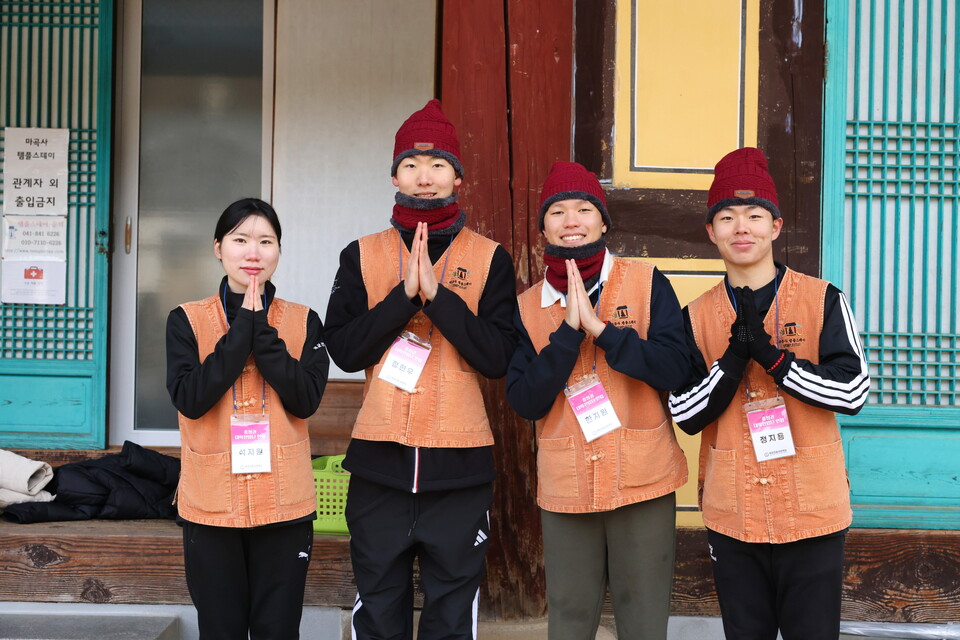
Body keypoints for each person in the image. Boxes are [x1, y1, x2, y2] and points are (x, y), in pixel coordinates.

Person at [323, 99, 518, 639]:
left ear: (457, 175)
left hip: (459, 468)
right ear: (394, 174)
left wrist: (439, 299)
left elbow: (498, 357)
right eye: (411, 164)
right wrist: (403, 299)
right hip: (379, 466)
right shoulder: (360, 254)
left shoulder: (489, 257)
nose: (425, 177)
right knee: (379, 608)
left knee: (452, 614)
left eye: (437, 166)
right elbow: (344, 349)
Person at [668, 147, 870, 640]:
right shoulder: (693, 316)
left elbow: (853, 391)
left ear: (775, 228)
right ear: (711, 231)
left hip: (814, 509)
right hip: (732, 511)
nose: (743, 227)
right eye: (728, 217)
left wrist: (775, 358)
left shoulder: (823, 298)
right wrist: (734, 359)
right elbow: (686, 411)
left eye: (755, 216)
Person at [506, 161, 690, 640]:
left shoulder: (647, 283)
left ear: (603, 221)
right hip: (567, 485)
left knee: (643, 619)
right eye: (558, 211)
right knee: (568, 619)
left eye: (584, 209)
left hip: (643, 478)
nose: (572, 221)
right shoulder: (527, 306)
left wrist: (604, 333)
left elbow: (675, 369)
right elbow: (524, 399)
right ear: (543, 225)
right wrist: (568, 336)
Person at [166, 198, 329, 640]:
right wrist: (241, 333)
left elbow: (305, 399)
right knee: (221, 630)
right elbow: (192, 398)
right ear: (218, 248)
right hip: (211, 506)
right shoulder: (186, 320)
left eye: (265, 241)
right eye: (240, 240)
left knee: (278, 630)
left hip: (285, 505)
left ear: (278, 250)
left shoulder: (304, 321)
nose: (253, 252)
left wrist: (262, 332)